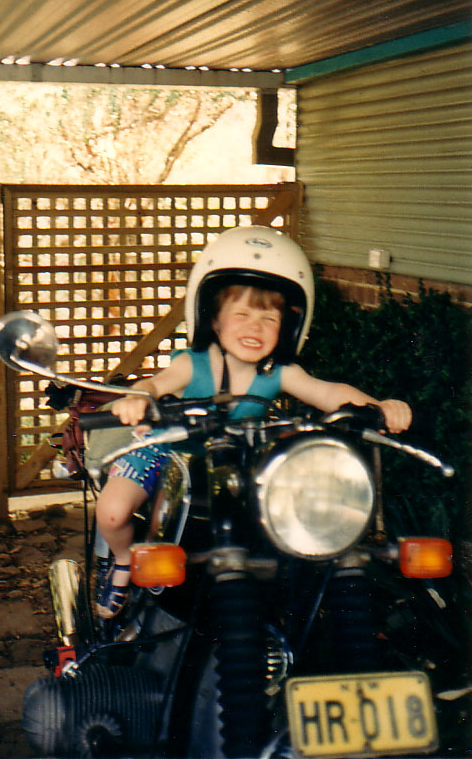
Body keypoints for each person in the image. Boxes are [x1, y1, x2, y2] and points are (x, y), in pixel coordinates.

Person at [94, 226, 412, 618]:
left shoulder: (277, 372)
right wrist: (136, 399)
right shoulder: (191, 363)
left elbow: (329, 393)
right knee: (112, 511)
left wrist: (379, 406)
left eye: (269, 318)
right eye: (241, 314)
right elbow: (156, 384)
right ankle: (122, 560)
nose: (255, 327)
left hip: (236, 463)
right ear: (214, 320)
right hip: (168, 450)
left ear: (288, 329)